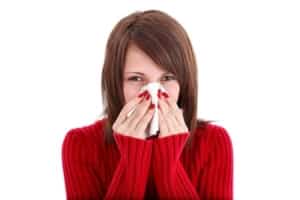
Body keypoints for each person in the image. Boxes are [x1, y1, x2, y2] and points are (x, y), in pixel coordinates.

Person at [62, 9, 233, 199]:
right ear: (115, 83)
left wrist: (169, 161)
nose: (154, 93)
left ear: (184, 83)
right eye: (136, 78)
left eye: (167, 77)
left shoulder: (213, 142)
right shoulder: (81, 145)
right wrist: (132, 157)